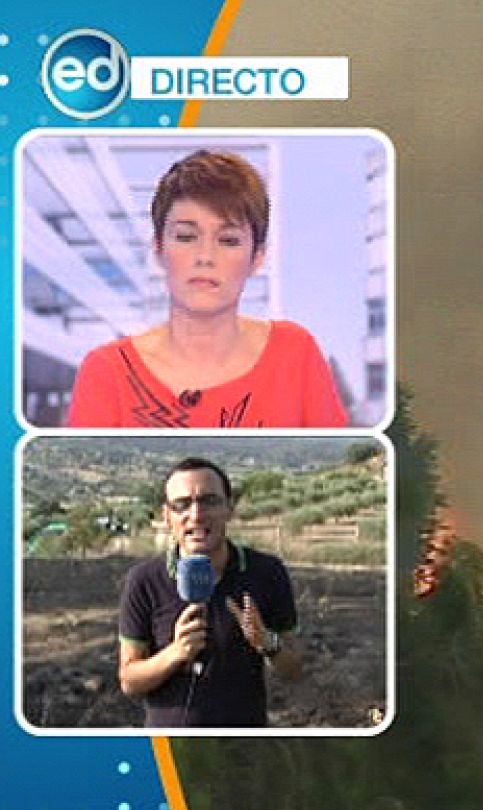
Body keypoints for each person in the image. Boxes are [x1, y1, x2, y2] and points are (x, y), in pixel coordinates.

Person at [66, 150, 349, 428]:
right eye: (187, 237)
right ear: (159, 249)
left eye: (228, 240)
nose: (205, 257)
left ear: (257, 258)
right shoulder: (107, 371)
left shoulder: (295, 352)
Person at [118, 457, 304, 727]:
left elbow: (295, 670)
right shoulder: (144, 580)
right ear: (167, 516)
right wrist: (176, 653)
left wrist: (267, 643)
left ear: (229, 508)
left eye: (209, 501)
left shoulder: (267, 572)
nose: (196, 514)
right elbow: (129, 682)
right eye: (182, 504)